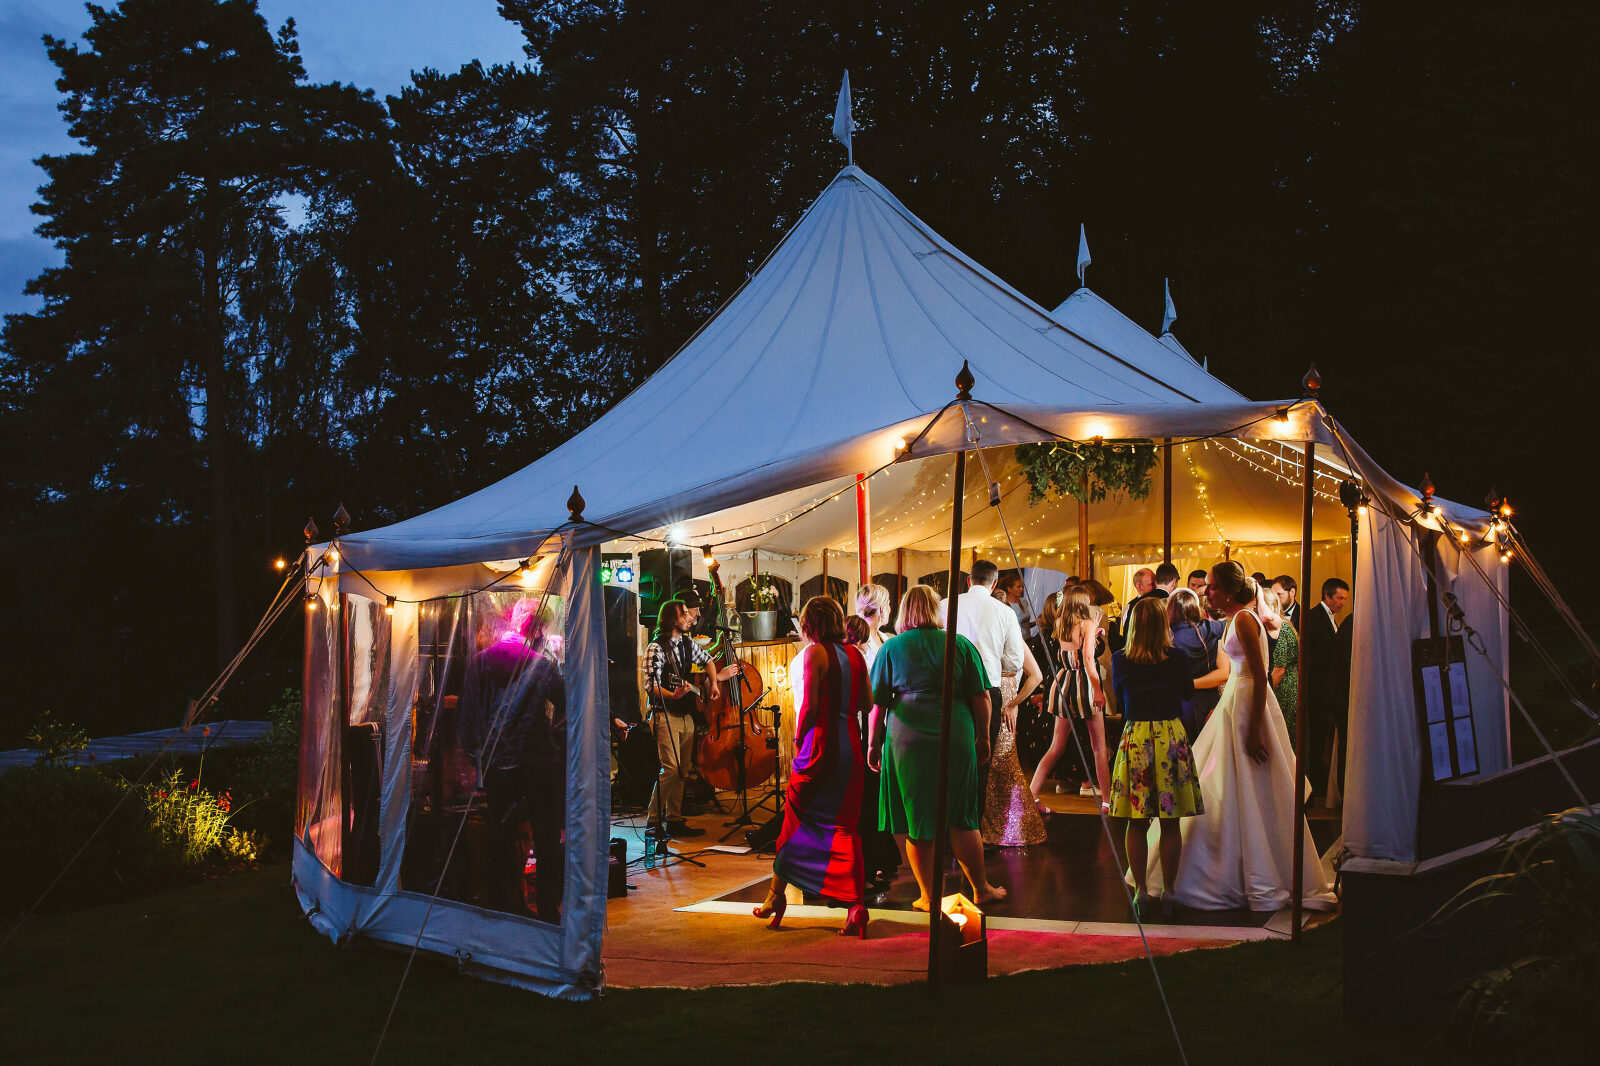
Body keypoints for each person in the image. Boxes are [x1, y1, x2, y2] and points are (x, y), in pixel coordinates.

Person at [1146, 562, 1337, 912]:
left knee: (1246, 782)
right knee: (1223, 782)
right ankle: (1231, 865)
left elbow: (1259, 675)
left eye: (1214, 587)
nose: (1209, 592)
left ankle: (1253, 869)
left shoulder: (1245, 620)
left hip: (1248, 703)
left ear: (1230, 591)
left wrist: (1252, 728)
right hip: (1236, 699)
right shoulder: (1239, 619)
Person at [867, 584, 1007, 910]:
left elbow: (879, 705)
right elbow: (982, 696)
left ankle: (929, 897)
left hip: (907, 739)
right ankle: (982, 888)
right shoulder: (959, 644)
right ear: (936, 609)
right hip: (955, 733)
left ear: (904, 611)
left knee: (917, 818)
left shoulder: (892, 648)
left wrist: (874, 744)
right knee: (961, 815)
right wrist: (983, 736)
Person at [755, 597, 872, 936]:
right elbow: (867, 702)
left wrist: (797, 740)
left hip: (821, 746)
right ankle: (856, 907)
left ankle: (776, 897)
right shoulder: (857, 655)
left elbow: (809, 707)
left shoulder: (815, 653)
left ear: (809, 624)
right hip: (851, 747)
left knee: (793, 819)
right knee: (846, 828)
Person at [459, 598, 566, 923]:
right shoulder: (540, 664)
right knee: (547, 838)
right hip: (538, 761)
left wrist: (478, 758)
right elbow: (568, 700)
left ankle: (501, 907)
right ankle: (548, 911)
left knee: (501, 838)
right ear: (535, 629)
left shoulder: (479, 663)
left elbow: (468, 720)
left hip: (497, 766)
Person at [1110, 596, 1203, 918]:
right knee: (1170, 821)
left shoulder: (1121, 659)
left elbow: (1120, 702)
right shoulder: (1176, 657)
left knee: (1136, 822)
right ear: (1164, 624)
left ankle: (1139, 893)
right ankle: (1170, 890)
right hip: (1169, 737)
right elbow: (1188, 693)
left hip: (1136, 737)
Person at [644, 599, 739, 838]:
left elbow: (707, 661)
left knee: (682, 770)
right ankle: (652, 822)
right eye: (684, 613)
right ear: (671, 619)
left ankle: (674, 820)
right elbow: (649, 686)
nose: (690, 617)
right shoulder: (655, 648)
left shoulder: (687, 643)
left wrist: (715, 683)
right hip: (664, 713)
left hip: (686, 714)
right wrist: (672, 694)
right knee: (671, 769)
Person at [1028, 585, 1111, 812]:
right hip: (1083, 685)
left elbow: (1073, 650)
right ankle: (1107, 801)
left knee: (1057, 745)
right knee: (1099, 747)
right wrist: (1098, 690)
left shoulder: (1060, 624)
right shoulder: (1087, 623)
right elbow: (1087, 661)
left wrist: (1093, 635)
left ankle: (1032, 794)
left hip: (1063, 684)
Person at [948, 559, 1026, 758]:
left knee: (952, 757)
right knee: (982, 757)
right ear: (994, 584)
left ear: (969, 581)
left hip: (950, 690)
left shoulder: (945, 605)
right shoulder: (1006, 612)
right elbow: (1015, 662)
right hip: (988, 689)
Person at [844, 613, 900, 883]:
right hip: (863, 731)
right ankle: (879, 860)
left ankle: (865, 864)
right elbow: (870, 702)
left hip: (852, 733)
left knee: (859, 801)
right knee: (869, 799)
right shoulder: (859, 657)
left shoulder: (826, 656)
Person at [982, 630, 1047, 847]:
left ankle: (1013, 825)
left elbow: (1037, 675)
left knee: (1003, 759)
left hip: (1006, 697)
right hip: (988, 695)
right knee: (989, 759)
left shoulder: (1012, 636)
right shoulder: (986, 635)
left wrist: (1013, 703)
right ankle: (987, 826)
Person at [1303, 577, 1352, 803]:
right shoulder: (1313, 618)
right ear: (1327, 596)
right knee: (1317, 738)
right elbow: (1312, 657)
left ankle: (1321, 784)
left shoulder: (1331, 619)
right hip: (1318, 690)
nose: (1343, 603)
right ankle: (1316, 785)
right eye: (1340, 598)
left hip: (1326, 690)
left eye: (1345, 599)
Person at [1167, 589, 1229, 738]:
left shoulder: (1166, 637)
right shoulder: (1213, 629)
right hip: (1210, 700)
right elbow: (1223, 673)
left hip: (1181, 701)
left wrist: (1188, 684)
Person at [1258, 591, 1300, 745]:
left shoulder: (1281, 628)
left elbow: (1279, 670)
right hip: (1281, 687)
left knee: (1284, 739)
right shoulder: (1276, 626)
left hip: (1284, 690)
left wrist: (1265, 694)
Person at [854, 583, 893, 669]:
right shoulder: (858, 639)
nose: (890, 609)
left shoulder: (886, 637)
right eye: (888, 604)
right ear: (881, 608)